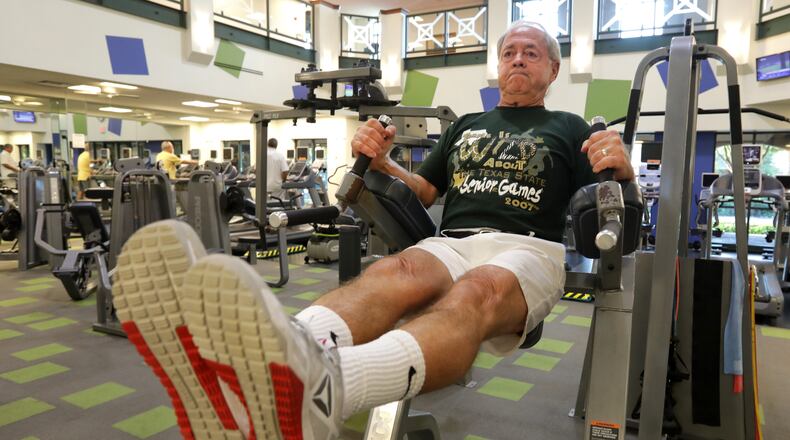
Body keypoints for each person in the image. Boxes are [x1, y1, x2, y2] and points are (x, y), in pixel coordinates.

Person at [112, 21, 634, 440]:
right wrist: (383, 162)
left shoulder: (570, 126)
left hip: (526, 248)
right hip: (451, 241)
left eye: (531, 52)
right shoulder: (465, 125)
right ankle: (282, 354)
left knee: (477, 292)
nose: (518, 59)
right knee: (396, 268)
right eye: (509, 52)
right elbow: (425, 192)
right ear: (497, 65)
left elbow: (611, 195)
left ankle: (326, 389)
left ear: (553, 69)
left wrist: (623, 167)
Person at [267, 137, 290, 202]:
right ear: (276, 145)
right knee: (277, 204)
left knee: (264, 205)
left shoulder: (261, 154)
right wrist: (284, 180)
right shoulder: (280, 156)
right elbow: (285, 171)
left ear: (267, 144)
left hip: (264, 186)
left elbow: (255, 170)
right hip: (276, 186)